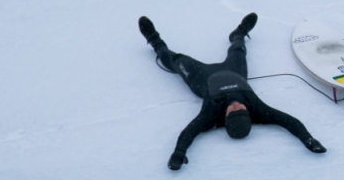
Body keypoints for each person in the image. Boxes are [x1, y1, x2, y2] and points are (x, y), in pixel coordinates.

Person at [138, 13, 326, 170]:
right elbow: (288, 121)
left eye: (233, 111)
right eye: (241, 110)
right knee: (238, 48)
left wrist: (179, 152)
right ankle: (238, 33)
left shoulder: (210, 115)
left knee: (173, 60)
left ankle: (155, 40)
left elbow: (190, 132)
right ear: (248, 113)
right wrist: (308, 140)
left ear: (225, 117)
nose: (236, 105)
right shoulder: (259, 111)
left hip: (200, 76)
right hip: (234, 71)